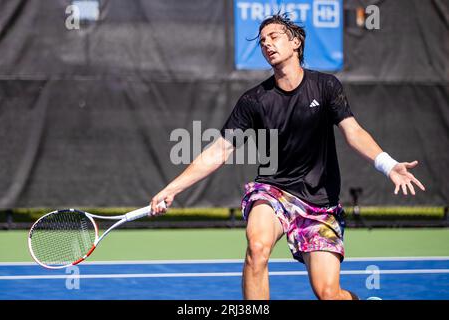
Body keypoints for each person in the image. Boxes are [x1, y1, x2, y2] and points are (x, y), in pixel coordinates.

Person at [150, 14, 425, 300]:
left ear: (295, 42)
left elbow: (353, 132)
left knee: (328, 294)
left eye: (274, 36)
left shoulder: (326, 87)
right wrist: (172, 189)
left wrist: (389, 165)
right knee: (257, 246)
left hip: (320, 202)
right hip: (273, 191)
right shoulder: (253, 100)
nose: (267, 44)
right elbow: (219, 150)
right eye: (262, 41)